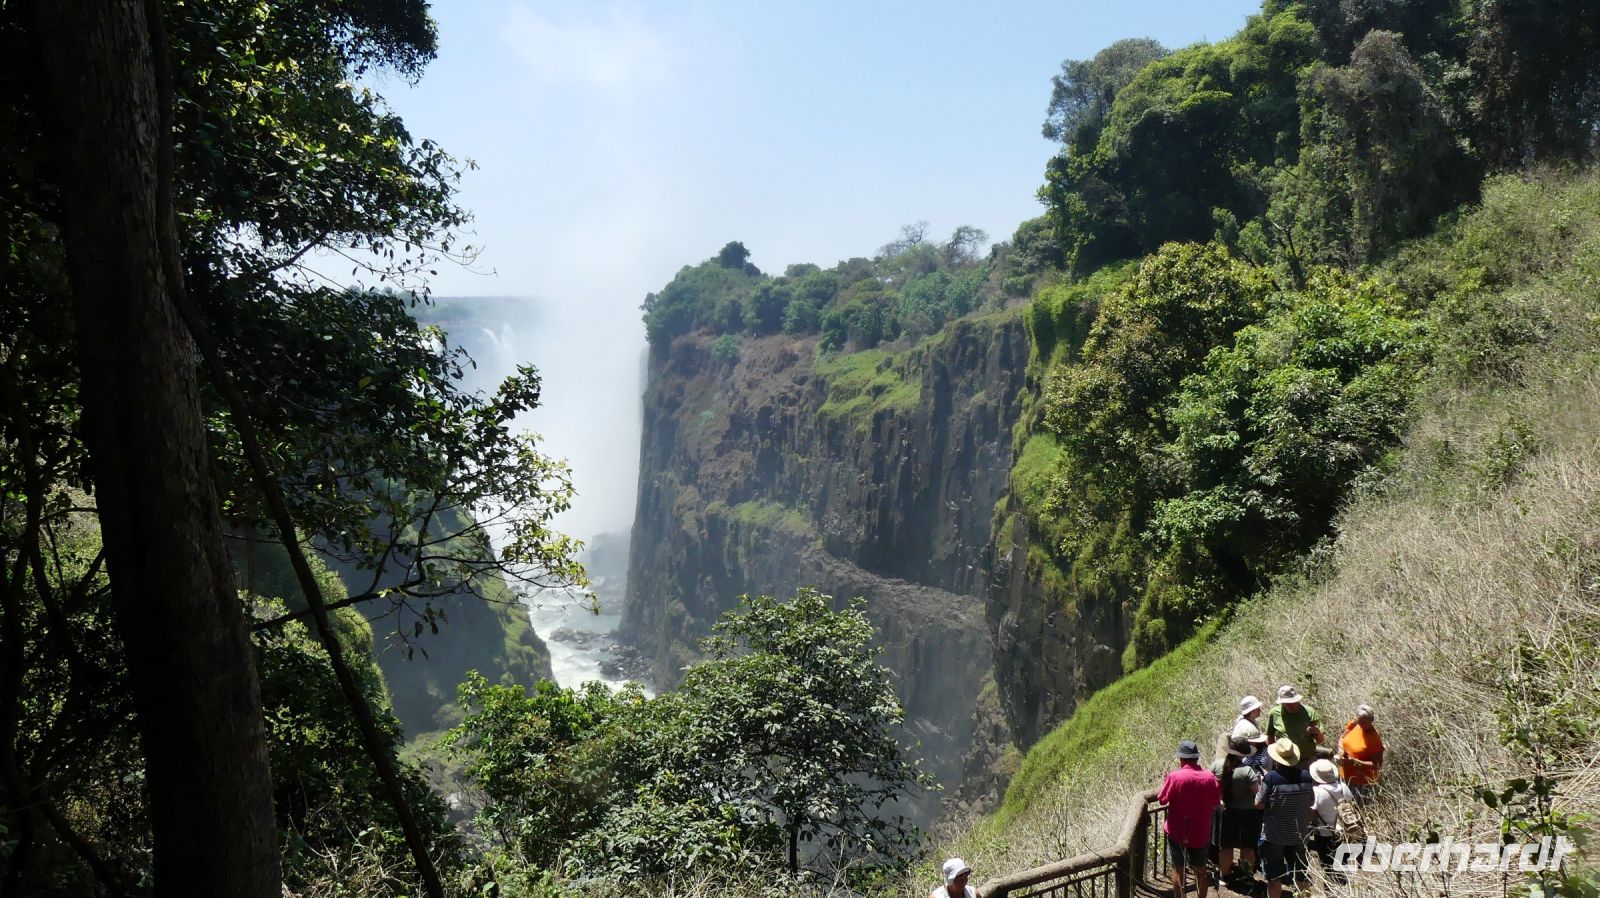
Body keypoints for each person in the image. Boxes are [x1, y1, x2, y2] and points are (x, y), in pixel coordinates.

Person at [1159, 740, 1221, 898]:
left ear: (1181, 758)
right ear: (1196, 758)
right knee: (1200, 869)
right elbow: (1216, 802)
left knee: (1177, 869)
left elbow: (1162, 799)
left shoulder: (1175, 777)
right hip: (1201, 831)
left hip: (1177, 830)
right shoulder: (1209, 778)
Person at [1256, 737, 1315, 898]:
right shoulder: (1306, 777)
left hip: (1273, 834)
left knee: (1274, 878)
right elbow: (1311, 802)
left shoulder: (1271, 778)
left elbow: (1259, 804)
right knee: (1301, 874)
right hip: (1298, 833)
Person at [1212, 735, 1263, 886]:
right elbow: (1257, 793)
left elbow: (1210, 785)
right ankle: (1247, 877)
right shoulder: (1247, 771)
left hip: (1225, 812)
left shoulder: (1217, 766)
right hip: (1247, 814)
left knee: (1225, 846)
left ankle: (1224, 877)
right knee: (1247, 847)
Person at [1309, 759, 1355, 878]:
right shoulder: (1343, 787)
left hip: (1324, 833)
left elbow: (1311, 813)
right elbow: (1351, 803)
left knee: (1328, 865)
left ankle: (1332, 888)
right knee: (1342, 863)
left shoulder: (1316, 792)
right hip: (1344, 831)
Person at [1266, 685, 1323, 769]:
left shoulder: (1309, 712)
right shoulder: (1274, 713)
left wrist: (1317, 732)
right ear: (1282, 702)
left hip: (1307, 761)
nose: (1292, 705)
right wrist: (1274, 757)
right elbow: (1270, 736)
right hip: (1284, 762)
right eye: (1288, 703)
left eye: (1294, 702)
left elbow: (1320, 740)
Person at [1335, 704, 1384, 802]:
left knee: (1356, 808)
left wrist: (1354, 762)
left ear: (1371, 720)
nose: (1362, 725)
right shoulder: (1354, 723)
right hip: (1344, 775)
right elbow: (1343, 737)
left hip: (1361, 782)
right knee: (1343, 806)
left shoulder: (1373, 738)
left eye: (1366, 722)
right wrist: (1341, 751)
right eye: (1360, 721)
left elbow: (1377, 765)